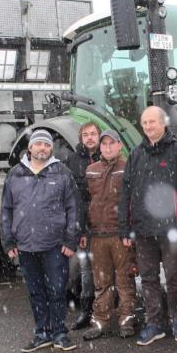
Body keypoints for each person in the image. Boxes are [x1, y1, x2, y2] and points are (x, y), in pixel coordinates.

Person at [119, 106, 177, 346]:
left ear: (164, 123)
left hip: (170, 228)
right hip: (143, 228)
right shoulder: (136, 154)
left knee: (174, 276)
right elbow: (126, 193)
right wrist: (126, 227)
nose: (149, 127)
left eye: (153, 122)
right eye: (145, 123)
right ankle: (154, 324)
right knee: (149, 278)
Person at [1, 129, 79, 352]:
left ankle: (60, 333)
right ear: (31, 148)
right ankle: (42, 333)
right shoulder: (15, 174)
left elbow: (73, 208)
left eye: (46, 145)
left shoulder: (62, 173)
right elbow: (6, 210)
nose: (42, 148)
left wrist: (70, 240)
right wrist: (8, 241)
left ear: (51, 149)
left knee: (56, 290)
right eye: (39, 144)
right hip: (25, 246)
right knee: (36, 292)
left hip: (55, 245)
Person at [81, 130, 138, 341]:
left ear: (119, 146)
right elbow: (86, 201)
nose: (107, 147)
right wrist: (85, 229)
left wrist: (130, 231)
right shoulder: (91, 171)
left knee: (125, 279)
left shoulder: (128, 168)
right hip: (97, 234)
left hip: (120, 234)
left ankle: (126, 320)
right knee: (101, 281)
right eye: (104, 144)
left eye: (111, 144)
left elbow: (134, 201)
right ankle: (101, 321)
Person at [64, 122, 102, 330]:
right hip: (84, 224)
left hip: (105, 221)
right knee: (87, 269)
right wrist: (80, 228)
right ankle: (87, 311)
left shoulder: (106, 157)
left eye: (93, 134)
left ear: (99, 136)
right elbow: (73, 199)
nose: (89, 138)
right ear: (80, 138)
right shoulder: (72, 161)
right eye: (85, 134)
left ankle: (107, 309)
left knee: (106, 268)